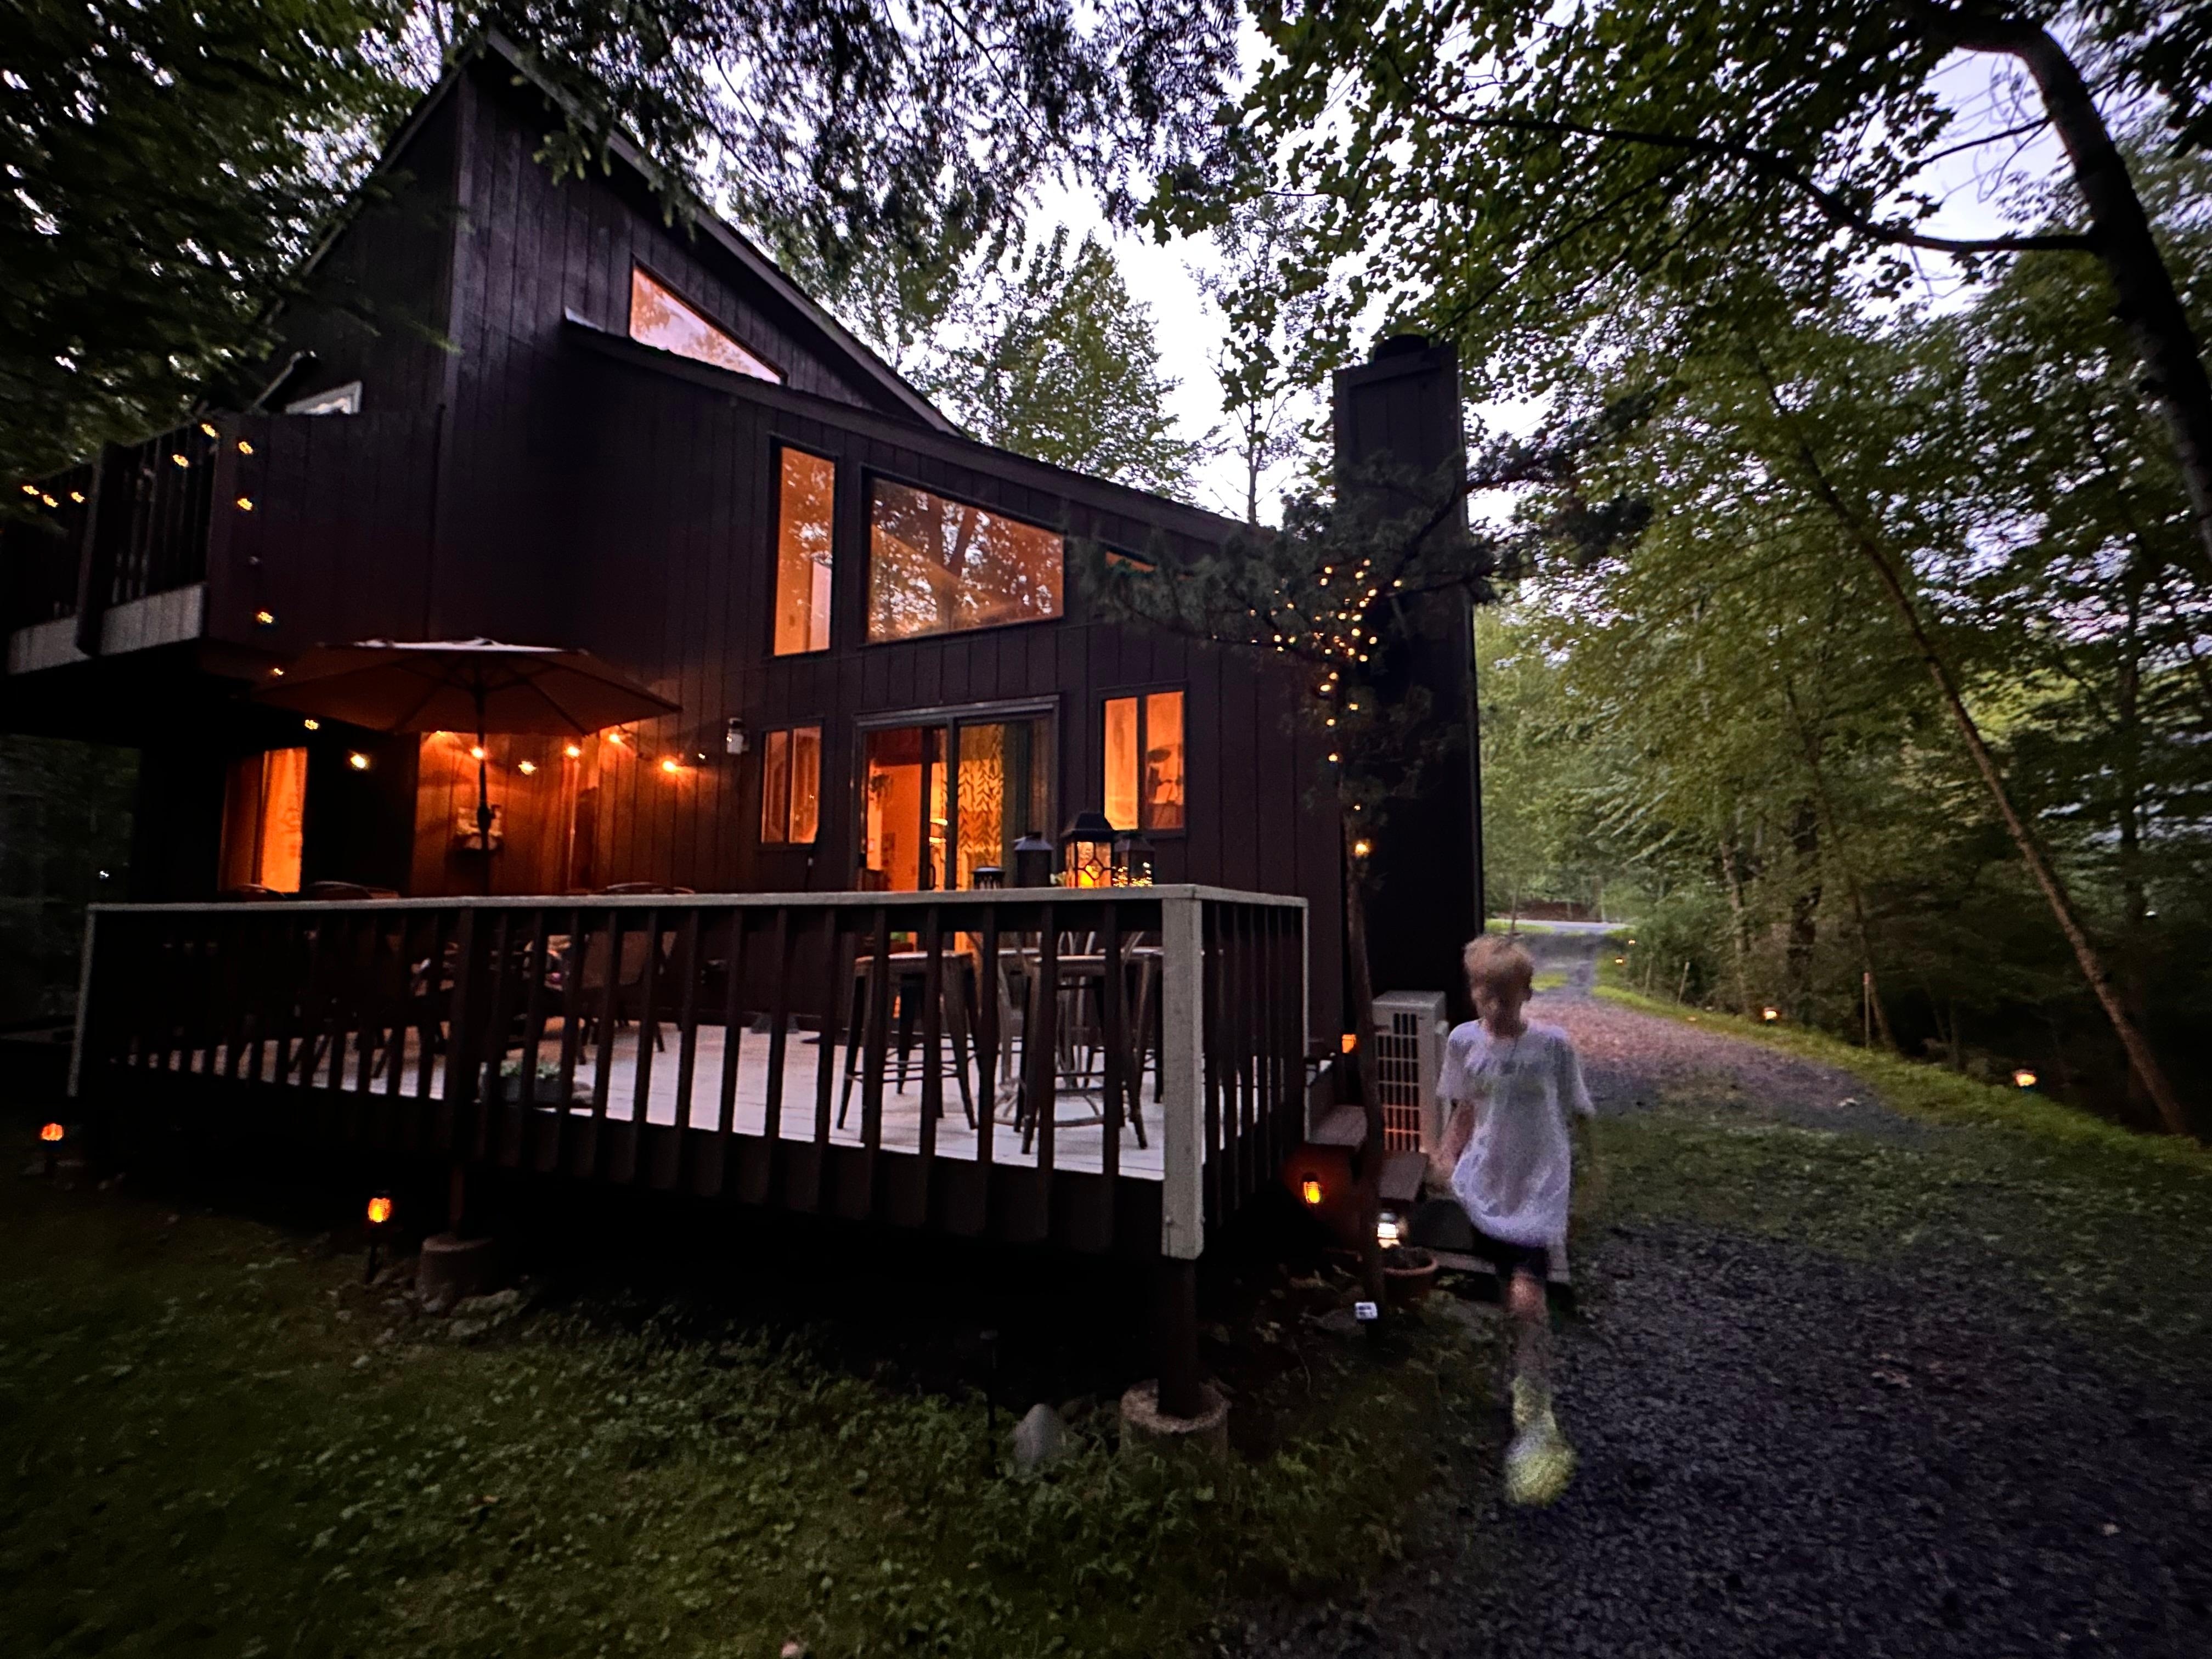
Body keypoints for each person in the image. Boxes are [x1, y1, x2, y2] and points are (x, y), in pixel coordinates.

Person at [1432, 933, 1601, 1505]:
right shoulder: (1462, 1043)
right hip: (1487, 1185)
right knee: (1509, 1291)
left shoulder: (1553, 1048)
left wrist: (1586, 1190)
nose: (1493, 1004)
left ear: (1526, 993)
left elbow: (1580, 1120)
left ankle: (1535, 1404)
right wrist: (1445, 1153)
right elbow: (1465, 1108)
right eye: (1483, 992)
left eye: (1505, 994)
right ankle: (1520, 1363)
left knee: (1528, 1299)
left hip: (1538, 1188)